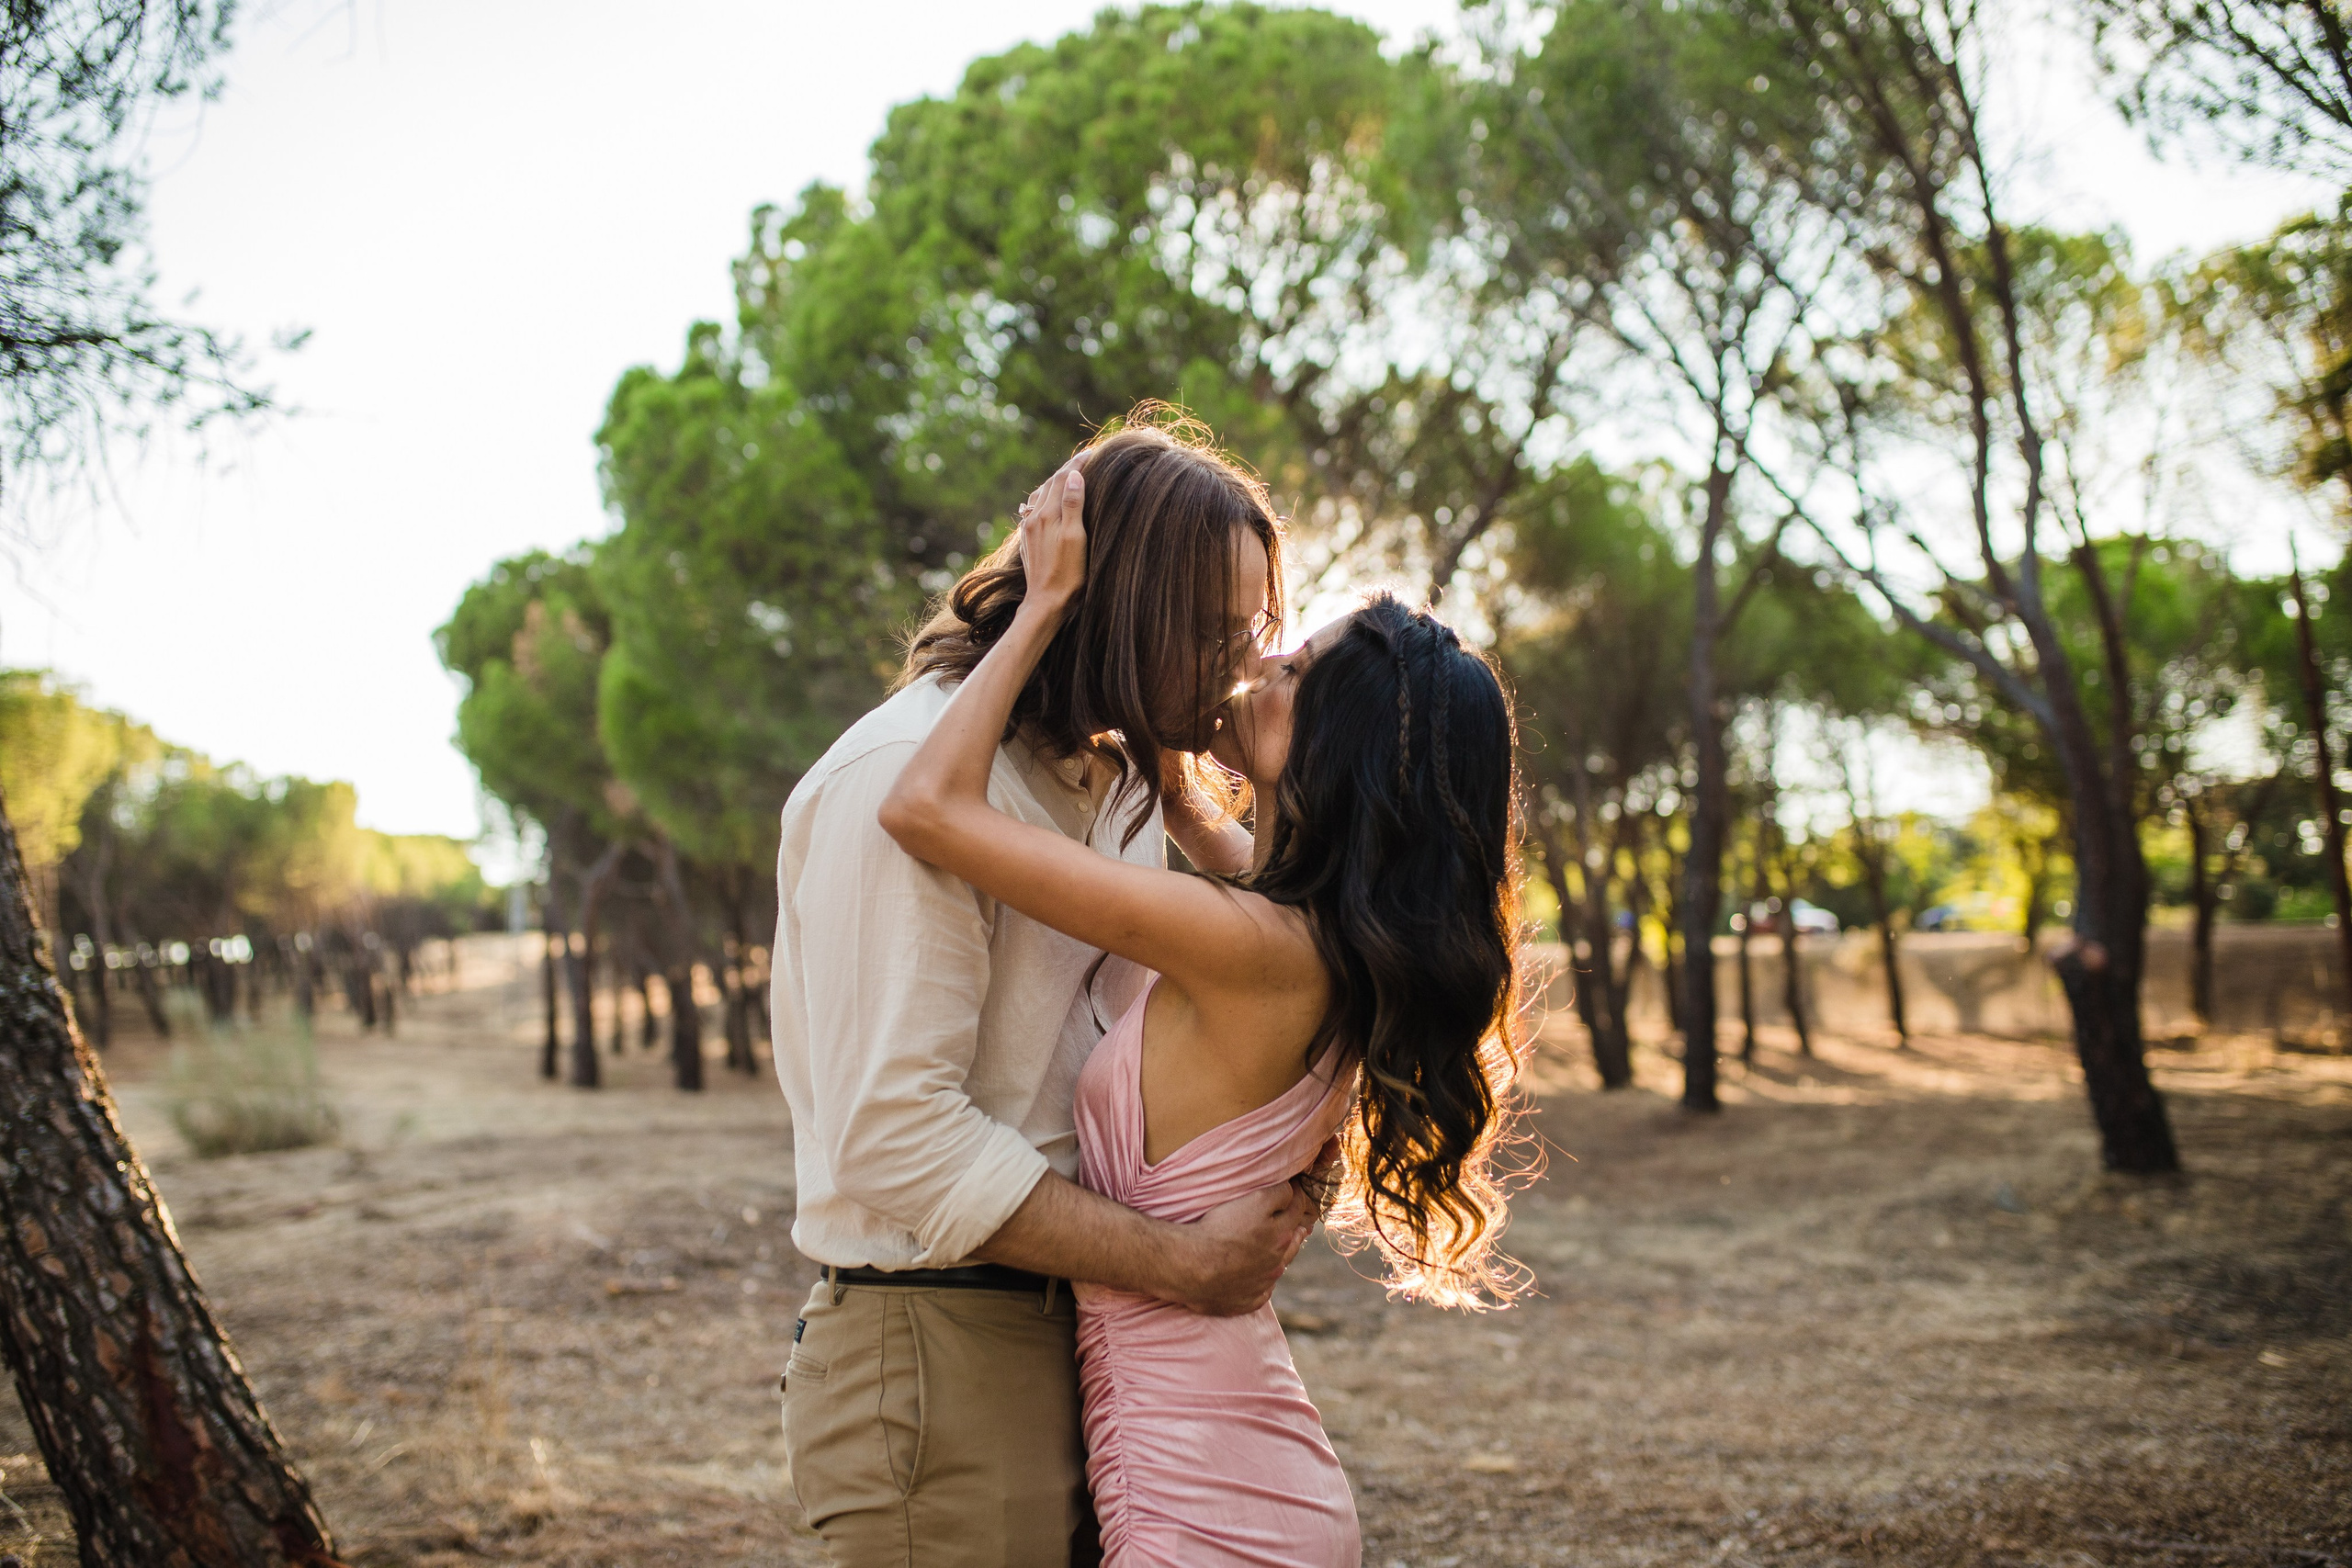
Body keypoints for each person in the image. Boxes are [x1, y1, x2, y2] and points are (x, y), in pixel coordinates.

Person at [879, 454, 1529, 1566]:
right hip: (1232, 1464)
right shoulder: (1315, 932)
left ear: (1333, 746)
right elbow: (1185, 798)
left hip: (1208, 1501)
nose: (1259, 661)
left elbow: (926, 807)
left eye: (1294, 665)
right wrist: (1140, 675)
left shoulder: (1252, 945)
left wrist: (1044, 608)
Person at [773, 407, 1319, 1568]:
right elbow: (893, 1135)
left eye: (1252, 632)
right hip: (938, 1342)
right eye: (1212, 633)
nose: (1236, 663)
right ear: (1113, 608)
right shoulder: (898, 775)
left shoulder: (1109, 785)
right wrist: (1182, 1264)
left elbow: (1280, 940)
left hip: (1075, 1322)